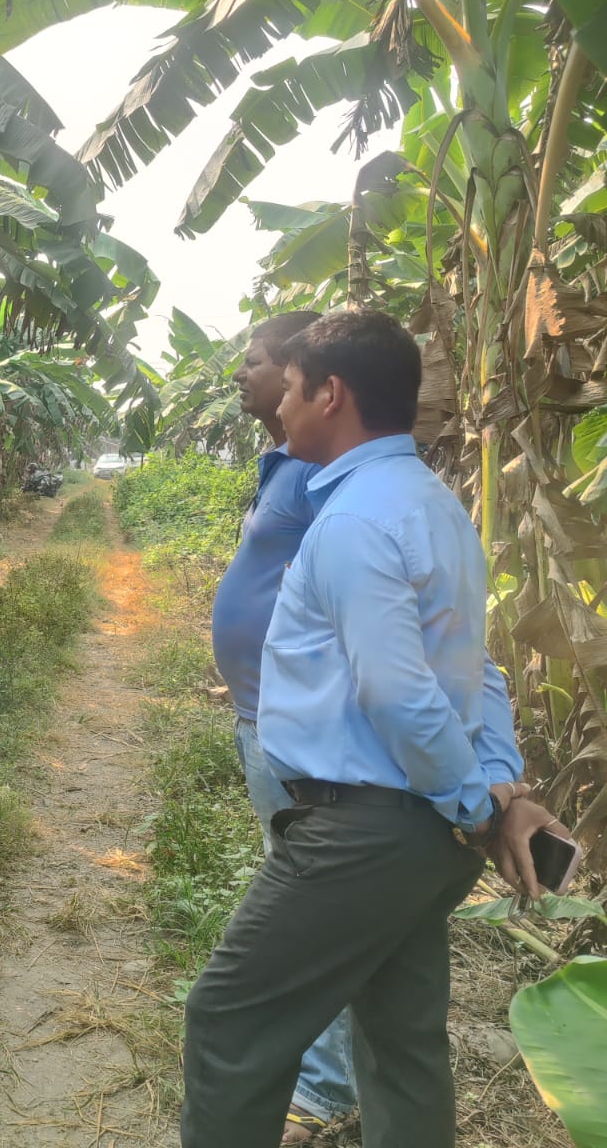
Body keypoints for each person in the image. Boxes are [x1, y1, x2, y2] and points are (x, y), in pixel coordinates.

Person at [181, 311, 559, 1148]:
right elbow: (475, 669)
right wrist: (498, 782)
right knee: (399, 1037)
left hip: (366, 829)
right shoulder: (432, 503)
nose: (278, 406)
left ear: (330, 393)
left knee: (229, 1018)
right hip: (418, 832)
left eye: (288, 388)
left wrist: (479, 805)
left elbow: (400, 697)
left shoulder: (353, 523)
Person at [210, 311, 358, 1143]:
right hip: (260, 712)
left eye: (258, 362)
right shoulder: (287, 463)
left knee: (311, 906)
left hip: (294, 724)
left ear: (304, 377)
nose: (242, 373)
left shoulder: (326, 474)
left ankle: (325, 1088)